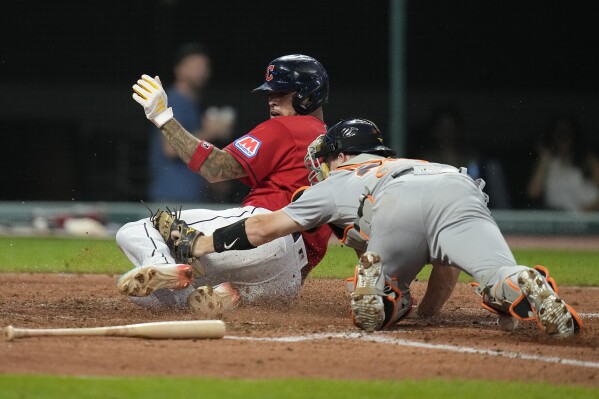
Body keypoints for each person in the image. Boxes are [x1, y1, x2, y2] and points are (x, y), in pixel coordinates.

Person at [185, 118, 582, 336]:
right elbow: (446, 268)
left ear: (340, 155)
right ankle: (520, 280)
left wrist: (203, 243)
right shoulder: (422, 162)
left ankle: (381, 291)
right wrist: (430, 315)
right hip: (457, 186)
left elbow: (266, 227)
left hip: (391, 202)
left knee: (381, 310)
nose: (318, 167)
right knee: (496, 275)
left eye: (323, 159)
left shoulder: (338, 179)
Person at [116, 54, 333, 311]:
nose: (272, 100)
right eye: (270, 94)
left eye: (282, 93)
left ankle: (165, 267)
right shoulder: (331, 148)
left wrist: (162, 118)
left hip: (260, 233)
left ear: (308, 95)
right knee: (144, 293)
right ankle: (226, 296)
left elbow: (214, 167)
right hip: (288, 279)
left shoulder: (287, 128)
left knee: (134, 231)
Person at [148, 42, 234, 203]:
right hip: (173, 196)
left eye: (204, 67)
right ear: (179, 69)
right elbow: (170, 148)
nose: (201, 72)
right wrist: (211, 131)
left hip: (190, 195)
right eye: (195, 66)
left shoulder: (192, 103)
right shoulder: (175, 99)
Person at [419, 105, 511, 209]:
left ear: (458, 130)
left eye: (450, 128)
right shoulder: (425, 161)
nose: (446, 134)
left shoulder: (473, 160)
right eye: (442, 129)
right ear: (434, 131)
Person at [527, 114, 599, 211]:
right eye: (559, 133)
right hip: (560, 220)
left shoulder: (588, 160)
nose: (563, 138)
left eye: (567, 133)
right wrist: (545, 160)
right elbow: (533, 193)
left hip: (589, 219)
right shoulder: (548, 162)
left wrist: (585, 212)